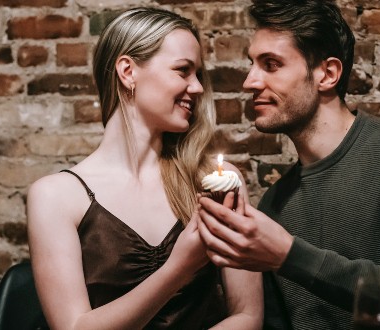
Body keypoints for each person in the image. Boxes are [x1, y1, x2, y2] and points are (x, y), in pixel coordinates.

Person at [196, 0, 380, 329]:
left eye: (270, 65)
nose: (250, 82)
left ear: (327, 74)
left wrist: (289, 256)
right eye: (252, 64)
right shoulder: (275, 204)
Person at [27, 7, 262, 329]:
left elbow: (248, 315)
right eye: (183, 71)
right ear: (128, 71)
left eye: (198, 75)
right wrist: (179, 268)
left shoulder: (216, 182)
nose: (196, 88)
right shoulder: (55, 196)